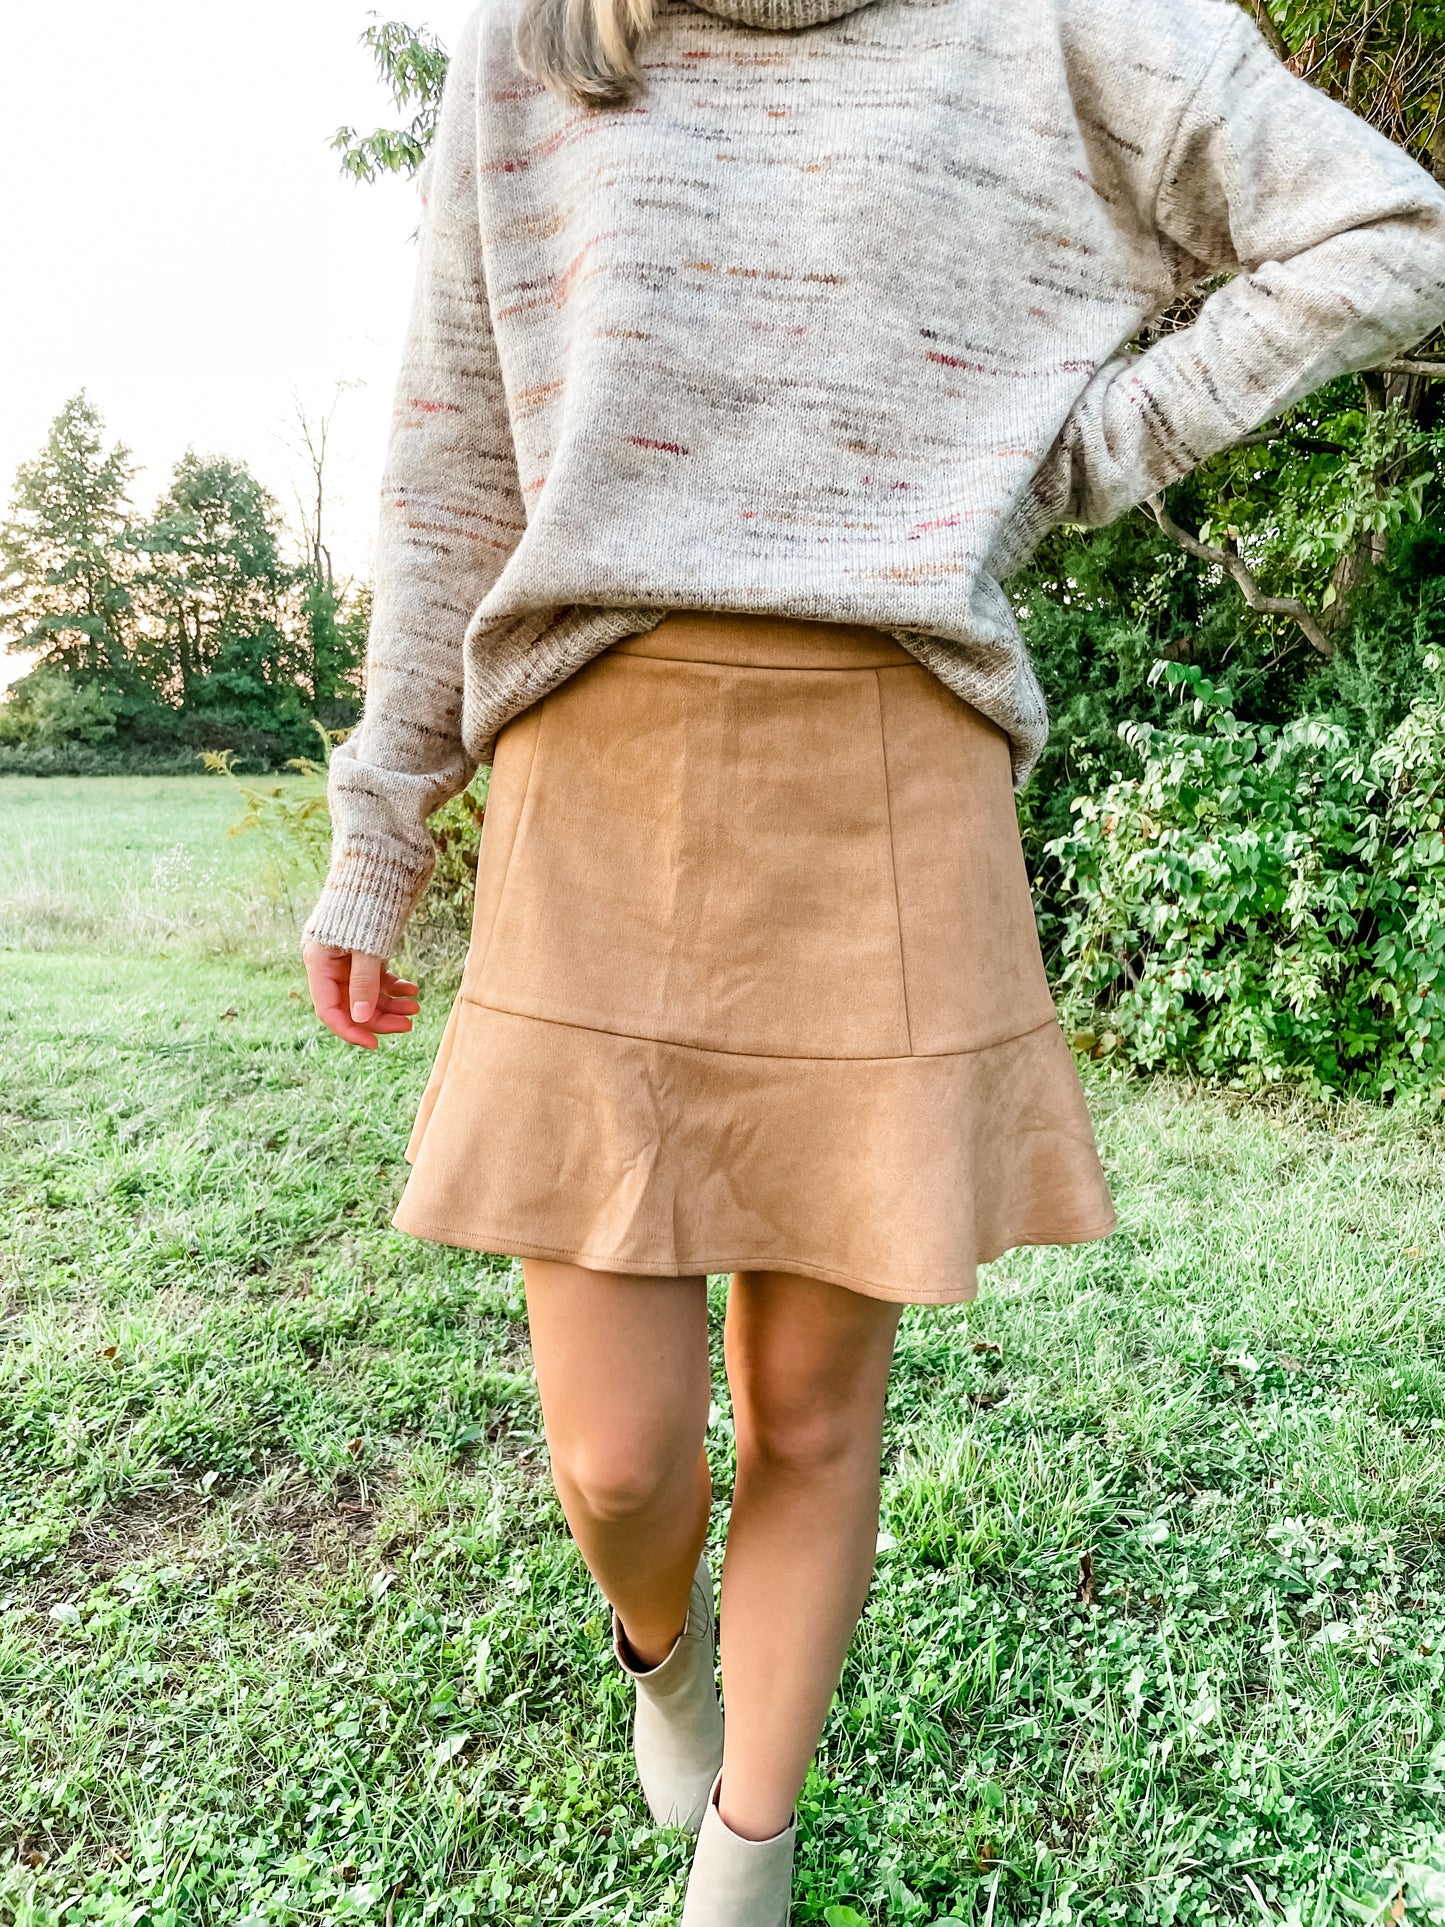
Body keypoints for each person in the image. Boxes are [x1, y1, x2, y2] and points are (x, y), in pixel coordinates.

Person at [301, 0, 1445, 1913]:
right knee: (613, 1460)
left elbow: (1383, 227)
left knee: (816, 1409)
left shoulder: (1056, 19)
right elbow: (447, 461)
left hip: (890, 779)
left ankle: (750, 1853)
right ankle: (659, 1655)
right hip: (599, 770)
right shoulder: (541, 43)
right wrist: (380, 818)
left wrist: (1059, 457)